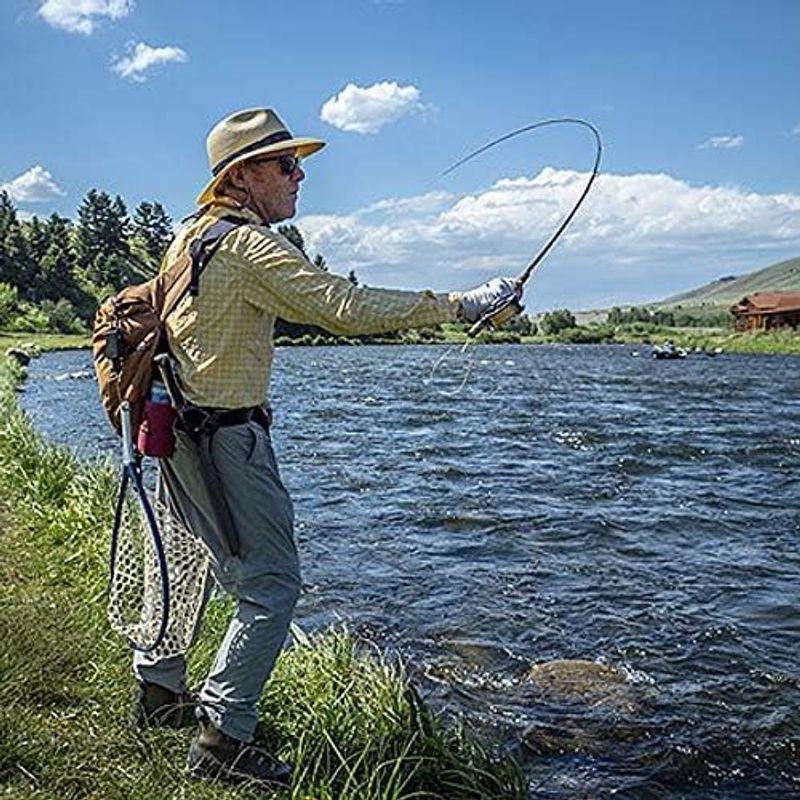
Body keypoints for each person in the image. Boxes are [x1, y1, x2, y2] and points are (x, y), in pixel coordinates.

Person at [130, 107, 521, 788]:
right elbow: (343, 307)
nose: (300, 174)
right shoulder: (250, 248)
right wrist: (464, 304)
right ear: (242, 177)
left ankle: (160, 692)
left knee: (188, 557)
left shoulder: (189, 237)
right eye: (285, 164)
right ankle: (223, 739)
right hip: (225, 442)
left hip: (177, 433)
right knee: (272, 586)